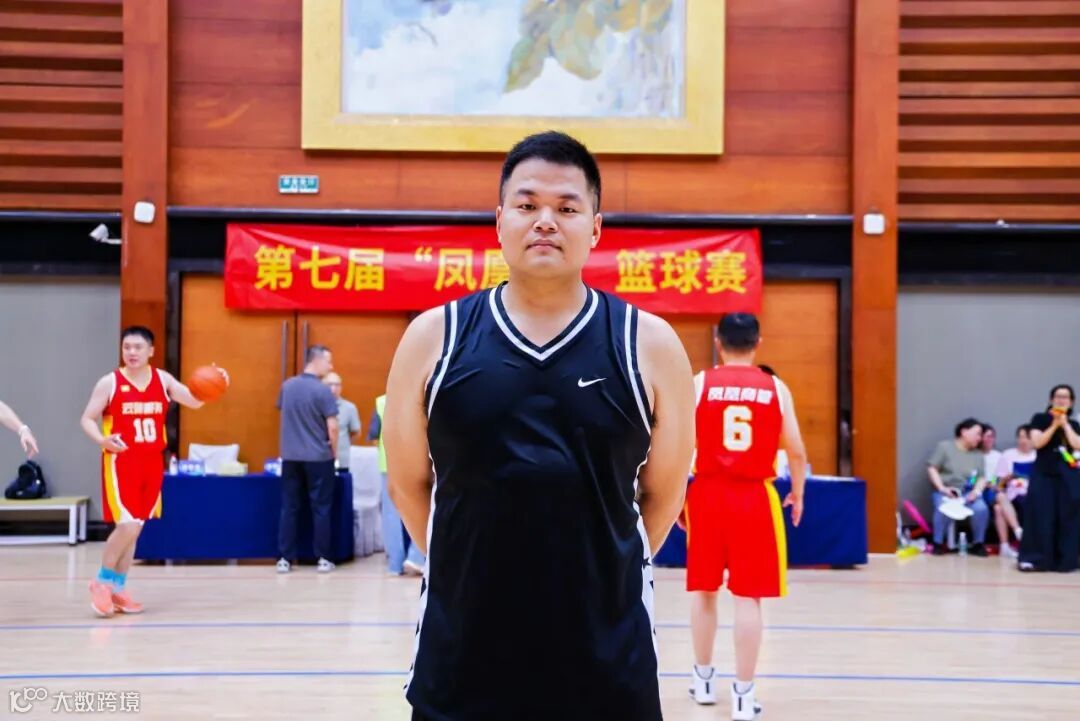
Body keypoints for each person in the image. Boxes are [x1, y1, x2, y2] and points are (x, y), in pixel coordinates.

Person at [384, 131, 695, 721]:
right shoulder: (433, 336)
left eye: (567, 208)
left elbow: (664, 494)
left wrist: (603, 565)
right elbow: (407, 485)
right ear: (499, 221)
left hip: (607, 656)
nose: (545, 221)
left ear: (595, 228)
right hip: (464, 649)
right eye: (527, 205)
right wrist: (467, 563)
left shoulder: (649, 343)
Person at [686, 313, 807, 720]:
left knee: (704, 591)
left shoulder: (700, 383)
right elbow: (797, 451)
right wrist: (798, 493)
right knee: (748, 596)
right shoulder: (775, 387)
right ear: (758, 344)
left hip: (706, 494)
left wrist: (678, 498)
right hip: (754, 497)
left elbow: (679, 443)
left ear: (718, 342)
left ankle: (704, 681)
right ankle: (743, 695)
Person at [80, 326, 227, 617]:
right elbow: (86, 419)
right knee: (127, 526)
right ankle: (101, 581)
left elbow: (195, 400)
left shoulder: (163, 380)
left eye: (137, 347)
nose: (131, 352)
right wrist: (102, 439)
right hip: (121, 461)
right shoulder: (110, 382)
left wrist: (219, 381)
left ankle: (118, 587)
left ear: (151, 351)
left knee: (135, 530)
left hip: (151, 463)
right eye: (126, 347)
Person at [276, 345, 339, 574]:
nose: (330, 366)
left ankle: (284, 558)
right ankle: (323, 558)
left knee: (289, 507)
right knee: (321, 508)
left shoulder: (287, 386)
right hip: (319, 458)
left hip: (290, 457)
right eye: (328, 361)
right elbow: (333, 427)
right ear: (316, 360)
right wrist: (334, 453)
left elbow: (284, 414)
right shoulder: (323, 391)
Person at [1019, 384, 1080, 573]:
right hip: (1044, 472)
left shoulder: (1074, 424)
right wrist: (1054, 424)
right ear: (1051, 400)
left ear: (1071, 402)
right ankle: (1035, 559)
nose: (1061, 400)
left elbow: (1077, 445)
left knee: (1067, 516)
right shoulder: (1040, 419)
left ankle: (1065, 560)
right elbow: (1037, 443)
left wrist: (1065, 425)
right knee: (1041, 514)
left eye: (1066, 397)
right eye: (1058, 396)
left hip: (1068, 474)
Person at [369, 394, 424, 576]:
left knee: (390, 514)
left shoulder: (380, 402)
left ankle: (395, 563)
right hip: (415, 462)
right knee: (419, 508)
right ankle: (417, 557)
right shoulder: (418, 395)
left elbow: (374, 437)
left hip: (388, 464)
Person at [927, 417, 990, 556]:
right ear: (964, 432)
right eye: (977, 434)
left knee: (981, 508)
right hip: (946, 491)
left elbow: (981, 477)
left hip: (968, 492)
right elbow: (932, 468)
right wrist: (942, 488)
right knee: (942, 508)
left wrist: (976, 491)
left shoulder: (978, 455)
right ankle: (937, 543)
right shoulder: (944, 447)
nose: (979, 438)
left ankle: (978, 543)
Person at [992, 424, 1035, 558]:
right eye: (1020, 437)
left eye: (1026, 437)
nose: (1023, 441)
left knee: (999, 508)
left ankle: (1009, 543)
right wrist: (1006, 478)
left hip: (1033, 494)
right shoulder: (1007, 455)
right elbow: (996, 484)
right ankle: (1016, 532)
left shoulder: (1038, 455)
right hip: (1013, 495)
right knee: (999, 498)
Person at [322, 372, 361, 470]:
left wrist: (343, 443)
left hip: (342, 460)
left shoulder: (349, 408)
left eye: (337, 385)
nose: (334, 388)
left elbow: (356, 433)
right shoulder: (316, 406)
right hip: (319, 459)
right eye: (330, 384)